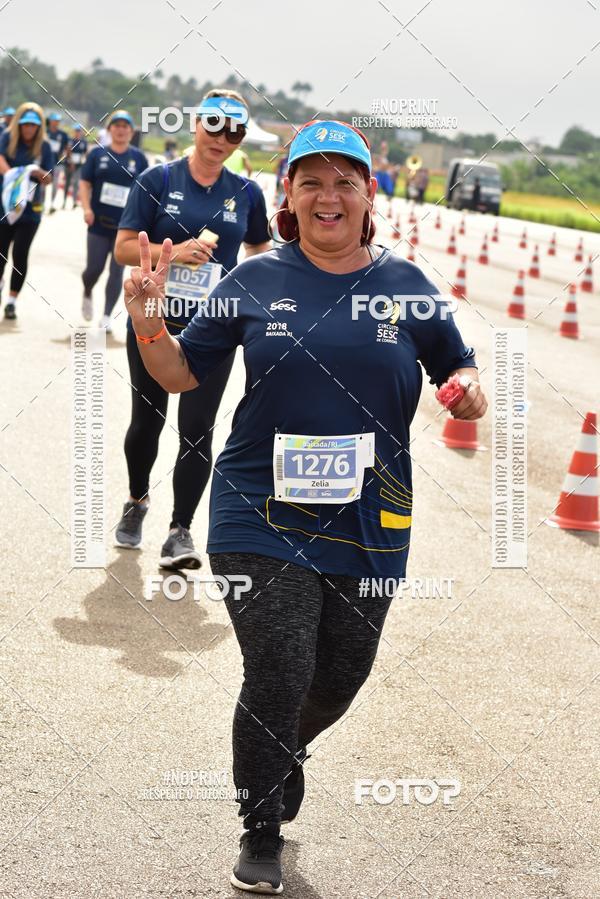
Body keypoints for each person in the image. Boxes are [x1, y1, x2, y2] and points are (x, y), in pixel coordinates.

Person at [122, 118, 487, 894]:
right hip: (257, 508)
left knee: (340, 675)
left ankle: (284, 748)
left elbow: (461, 373)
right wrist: (149, 318)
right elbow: (180, 373)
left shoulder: (406, 285)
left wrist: (467, 395)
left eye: (343, 181)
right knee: (280, 664)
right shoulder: (254, 280)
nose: (328, 196)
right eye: (310, 181)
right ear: (286, 195)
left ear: (368, 194)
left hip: (372, 516)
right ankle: (260, 825)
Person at [114, 88, 270, 569]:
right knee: (147, 420)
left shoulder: (247, 192)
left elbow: (260, 251)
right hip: (154, 317)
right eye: (215, 126)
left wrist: (255, 291)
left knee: (198, 429)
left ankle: (180, 532)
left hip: (214, 328)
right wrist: (177, 252)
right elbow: (122, 247)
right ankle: (137, 500)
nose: (222, 139)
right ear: (196, 124)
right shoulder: (158, 179)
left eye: (235, 132)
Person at [79, 110, 148, 330]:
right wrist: (86, 209)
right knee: (94, 269)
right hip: (98, 223)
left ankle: (107, 316)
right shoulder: (97, 154)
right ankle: (87, 290)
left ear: (131, 132)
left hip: (125, 227)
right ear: (109, 130)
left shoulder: (139, 158)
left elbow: (147, 191)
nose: (120, 130)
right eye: (116, 126)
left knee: (116, 272)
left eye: (125, 126)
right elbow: (84, 183)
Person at [0, 103, 52, 320]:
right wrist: (19, 175)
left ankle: (12, 301)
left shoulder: (45, 147)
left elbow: (49, 178)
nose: (28, 128)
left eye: (33, 125)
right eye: (25, 124)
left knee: (20, 254)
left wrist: (38, 173)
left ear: (39, 126)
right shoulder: (7, 138)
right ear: (19, 124)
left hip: (30, 212)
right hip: (4, 207)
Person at [46, 112, 69, 213]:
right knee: (42, 183)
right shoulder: (44, 132)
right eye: (54, 121)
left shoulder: (63, 135)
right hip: (45, 162)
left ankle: (52, 204)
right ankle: (41, 204)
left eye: (58, 121)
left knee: (55, 184)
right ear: (50, 121)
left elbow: (67, 148)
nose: (56, 123)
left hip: (57, 163)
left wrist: (68, 159)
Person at [63, 124, 87, 209]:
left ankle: (74, 202)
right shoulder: (70, 140)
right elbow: (68, 151)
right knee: (67, 183)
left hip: (78, 166)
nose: (77, 132)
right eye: (76, 131)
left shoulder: (83, 142)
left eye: (79, 131)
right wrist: (71, 162)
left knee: (76, 183)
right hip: (69, 165)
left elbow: (85, 153)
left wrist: (84, 162)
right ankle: (64, 201)